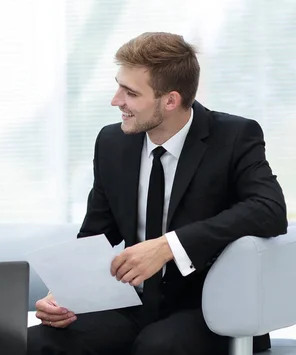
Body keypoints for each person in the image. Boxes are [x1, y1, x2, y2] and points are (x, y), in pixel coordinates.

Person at [28, 32, 288, 355]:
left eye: (130, 93)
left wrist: (168, 247)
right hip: (133, 305)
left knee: (157, 347)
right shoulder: (112, 143)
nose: (115, 101)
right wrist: (65, 291)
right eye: (118, 86)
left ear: (170, 100)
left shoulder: (234, 137)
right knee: (38, 342)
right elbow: (96, 234)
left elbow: (270, 210)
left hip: (208, 310)